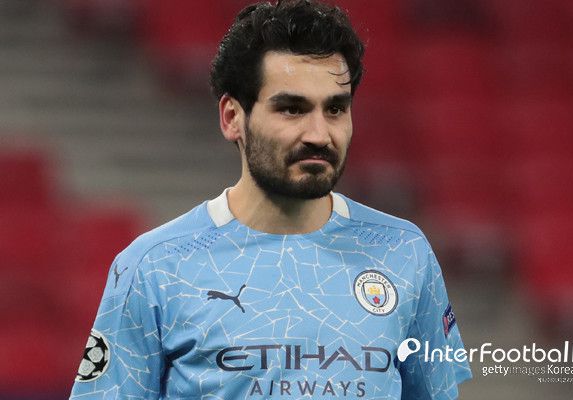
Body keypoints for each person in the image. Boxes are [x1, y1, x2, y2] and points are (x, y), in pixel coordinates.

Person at [69, 0, 472, 398]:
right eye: (292, 109)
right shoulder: (154, 267)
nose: (319, 134)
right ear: (232, 117)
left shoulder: (404, 252)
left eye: (335, 109)